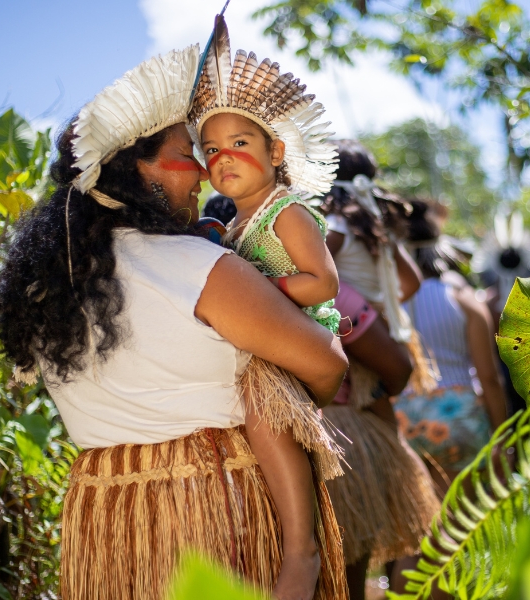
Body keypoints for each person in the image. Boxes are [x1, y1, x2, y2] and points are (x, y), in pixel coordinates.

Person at [0, 43, 348, 600]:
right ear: (142, 168)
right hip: (215, 507)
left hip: (106, 520)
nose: (206, 175)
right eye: (192, 153)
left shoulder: (50, 287)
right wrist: (294, 396)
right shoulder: (197, 265)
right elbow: (327, 361)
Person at [191, 18, 346, 600]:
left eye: (239, 144)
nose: (223, 158)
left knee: (260, 409)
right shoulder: (230, 223)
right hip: (265, 335)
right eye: (211, 150)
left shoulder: (288, 212)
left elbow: (323, 282)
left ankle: (300, 547)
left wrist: (265, 292)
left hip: (292, 339)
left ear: (275, 151)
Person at [320, 140, 441, 599]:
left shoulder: (334, 227)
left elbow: (312, 266)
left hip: (351, 340)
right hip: (378, 341)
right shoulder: (376, 229)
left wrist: (351, 303)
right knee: (385, 442)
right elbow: (410, 281)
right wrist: (379, 303)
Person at [395, 200, 509, 491]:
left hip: (405, 419)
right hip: (460, 414)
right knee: (469, 519)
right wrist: (503, 437)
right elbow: (489, 377)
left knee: (430, 525)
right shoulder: (463, 298)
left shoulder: (389, 301)